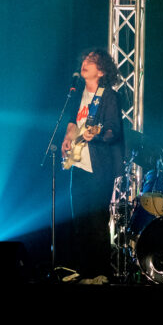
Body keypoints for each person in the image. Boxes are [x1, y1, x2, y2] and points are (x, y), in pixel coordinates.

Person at [61, 49, 124, 283]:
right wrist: (67, 139)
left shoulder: (108, 96)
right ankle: (84, 271)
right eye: (85, 59)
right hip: (76, 164)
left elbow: (113, 130)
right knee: (79, 221)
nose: (85, 62)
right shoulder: (77, 95)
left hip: (98, 166)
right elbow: (71, 122)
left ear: (101, 71)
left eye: (92, 61)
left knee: (97, 220)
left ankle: (101, 272)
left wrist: (94, 135)